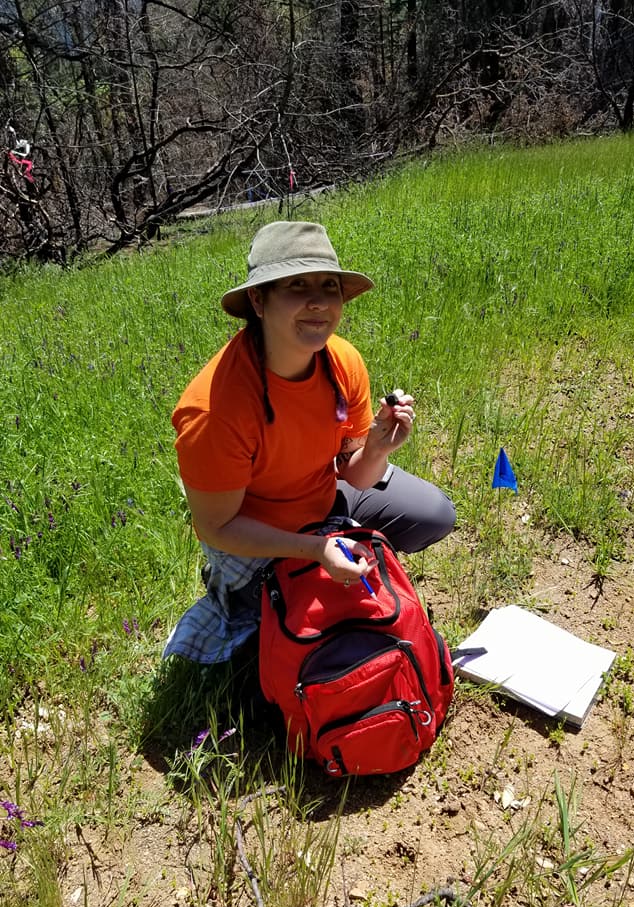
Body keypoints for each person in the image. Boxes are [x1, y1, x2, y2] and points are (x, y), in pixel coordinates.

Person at [164, 221, 455, 664]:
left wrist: (376, 448)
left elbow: (352, 472)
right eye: (297, 286)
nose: (318, 302)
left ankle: (344, 548)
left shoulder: (343, 363)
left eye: (329, 286)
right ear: (258, 300)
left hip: (323, 497)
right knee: (288, 653)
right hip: (258, 534)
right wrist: (314, 550)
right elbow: (216, 528)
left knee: (434, 514)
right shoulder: (215, 409)